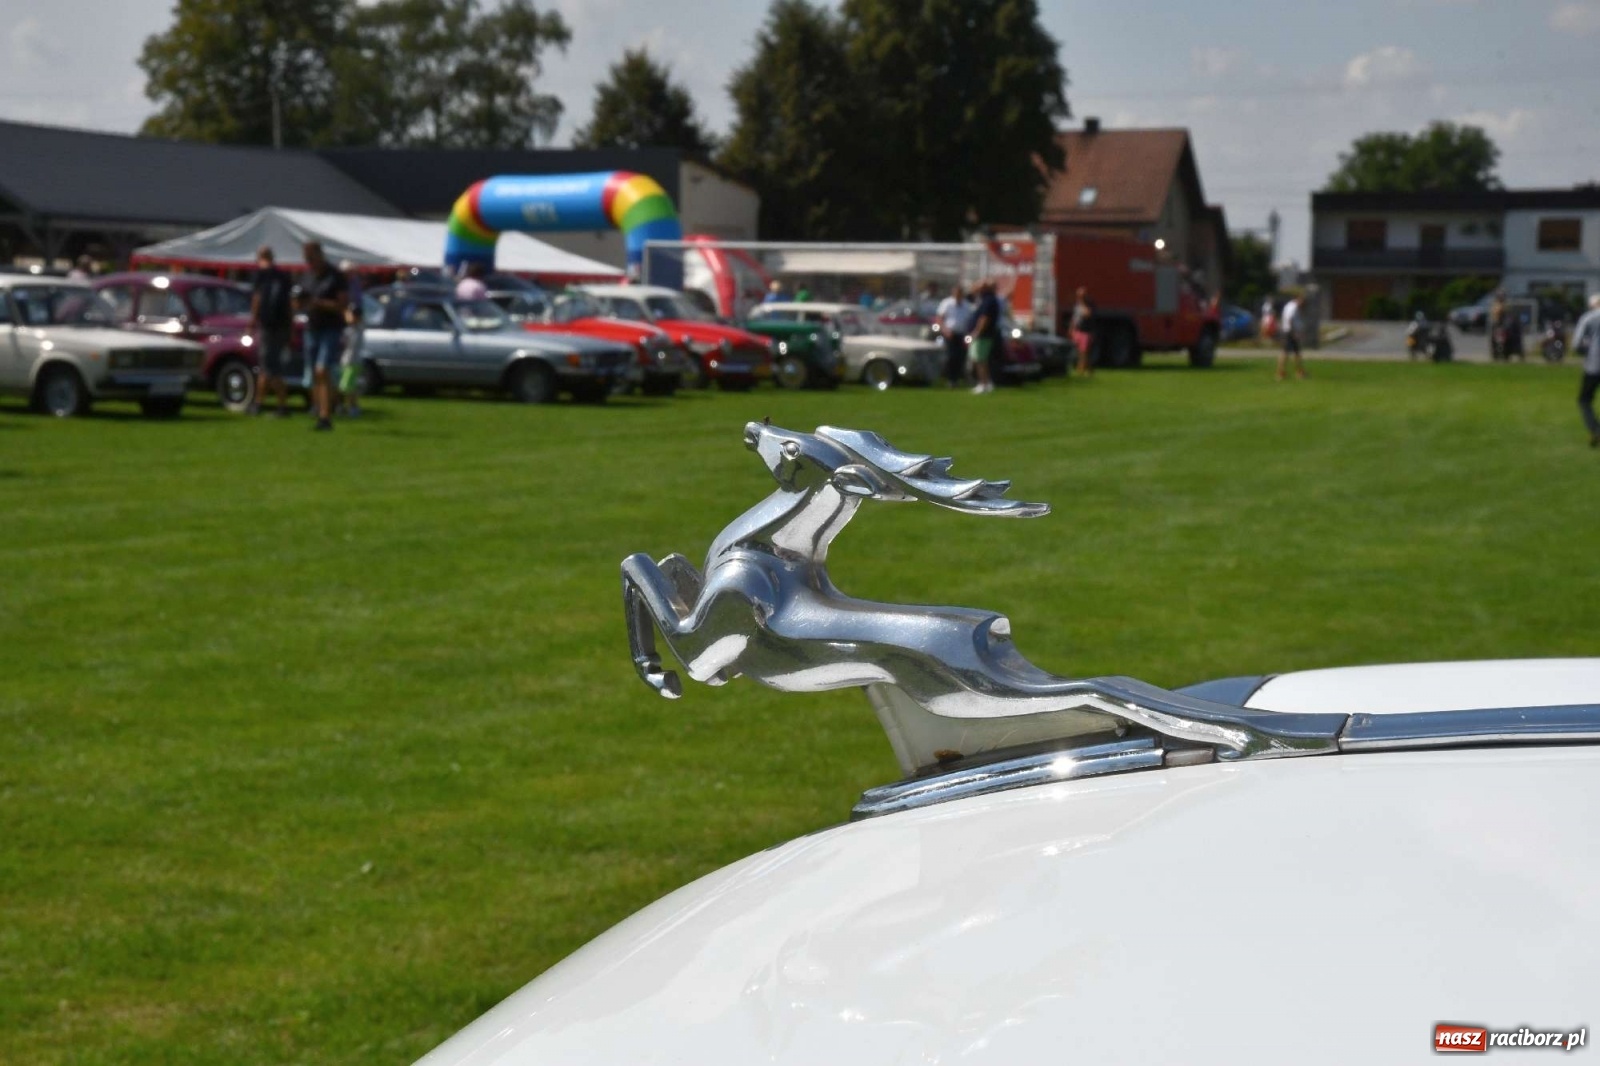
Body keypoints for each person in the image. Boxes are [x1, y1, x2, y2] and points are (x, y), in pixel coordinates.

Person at [299, 241, 348, 431]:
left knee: (322, 370)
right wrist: (300, 303)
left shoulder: (335, 276)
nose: (308, 262)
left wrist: (318, 302)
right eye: (306, 259)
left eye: (311, 258)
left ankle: (326, 415)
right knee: (314, 374)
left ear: (319, 255)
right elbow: (301, 301)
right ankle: (321, 410)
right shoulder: (307, 276)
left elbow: (342, 305)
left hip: (331, 328)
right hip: (312, 327)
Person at [248, 245, 294, 417]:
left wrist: (252, 321)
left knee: (269, 367)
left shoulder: (261, 275)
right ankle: (258, 403)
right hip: (282, 325)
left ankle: (282, 405)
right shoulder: (283, 276)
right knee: (268, 366)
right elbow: (289, 304)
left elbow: (257, 298)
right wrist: (291, 327)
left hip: (268, 324)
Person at [338, 261, 366, 418]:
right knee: (345, 379)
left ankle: (352, 407)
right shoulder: (347, 284)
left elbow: (352, 314)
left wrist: (346, 313)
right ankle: (344, 406)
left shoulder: (354, 286)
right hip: (348, 349)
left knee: (348, 380)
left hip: (351, 356)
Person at [1573, 294, 1600, 447]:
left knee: (1584, 400)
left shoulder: (1588, 318)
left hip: (1594, 365)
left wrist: (1585, 351)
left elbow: (1577, 344)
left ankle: (1595, 429)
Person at [969, 281, 1002, 394]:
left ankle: (983, 383)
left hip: (983, 335)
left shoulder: (988, 301)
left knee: (979, 360)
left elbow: (984, 318)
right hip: (986, 334)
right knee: (981, 359)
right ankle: (987, 382)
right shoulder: (985, 299)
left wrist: (977, 332)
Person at [935, 284, 970, 387]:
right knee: (951, 356)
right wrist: (945, 330)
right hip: (950, 333)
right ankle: (950, 379)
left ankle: (958, 378)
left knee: (961, 357)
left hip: (962, 334)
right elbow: (939, 318)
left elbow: (969, 320)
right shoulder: (947, 303)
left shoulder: (967, 305)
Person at [1277, 291, 1307, 381]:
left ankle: (1299, 371)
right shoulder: (1293, 307)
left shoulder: (1290, 306)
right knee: (1286, 352)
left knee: (1296, 352)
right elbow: (1289, 319)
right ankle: (1281, 373)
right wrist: (1294, 332)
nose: (1303, 302)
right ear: (1297, 298)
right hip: (1290, 332)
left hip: (1290, 331)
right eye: (1302, 300)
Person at [1069, 286, 1096, 376]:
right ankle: (1083, 369)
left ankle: (1083, 370)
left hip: (1086, 331)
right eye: (1079, 295)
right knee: (1079, 352)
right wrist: (1071, 329)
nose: (1080, 297)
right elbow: (1074, 318)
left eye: (1082, 295)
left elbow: (1087, 314)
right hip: (1078, 330)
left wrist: (1083, 304)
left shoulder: (1089, 305)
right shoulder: (1077, 306)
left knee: (1085, 352)